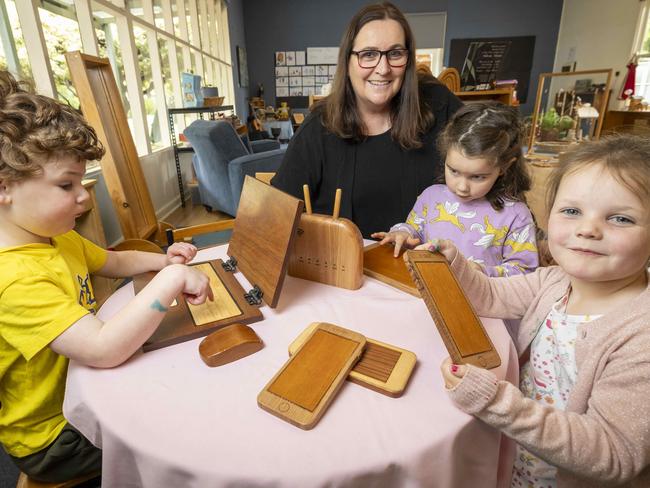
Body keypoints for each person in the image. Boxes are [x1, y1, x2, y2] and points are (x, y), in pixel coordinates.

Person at [0, 70, 213, 483]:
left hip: (82, 396)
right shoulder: (14, 279)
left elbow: (112, 262)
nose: (83, 195)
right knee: (185, 431)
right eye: (66, 185)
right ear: (5, 187)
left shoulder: (52, 238)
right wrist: (169, 285)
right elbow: (102, 349)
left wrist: (161, 262)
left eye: (81, 180)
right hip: (55, 437)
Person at [425, 134, 650, 487]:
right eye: (572, 211)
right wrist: (456, 267)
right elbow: (488, 296)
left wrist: (493, 401)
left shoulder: (641, 337)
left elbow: (612, 453)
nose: (588, 229)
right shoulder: (554, 281)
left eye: (620, 219)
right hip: (523, 463)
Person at [271, 2, 463, 238]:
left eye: (395, 53)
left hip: (430, 263)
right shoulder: (319, 127)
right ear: (347, 61)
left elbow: (496, 152)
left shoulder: (437, 103)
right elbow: (274, 215)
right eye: (368, 54)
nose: (383, 68)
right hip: (346, 269)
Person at [373, 102, 538, 277]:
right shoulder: (431, 197)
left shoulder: (516, 216)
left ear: (504, 167)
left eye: (477, 177)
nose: (462, 187)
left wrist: (481, 272)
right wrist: (402, 233)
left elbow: (526, 272)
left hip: (482, 301)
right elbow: (414, 231)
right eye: (454, 171)